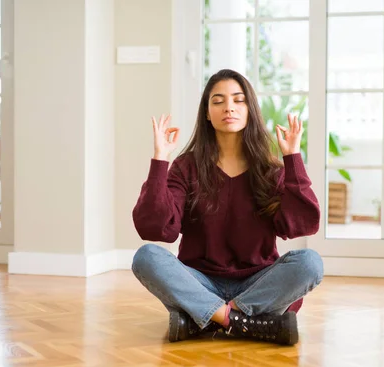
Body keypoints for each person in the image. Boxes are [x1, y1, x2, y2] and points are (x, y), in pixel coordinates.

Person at [131, 69, 323, 346]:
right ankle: (246, 323)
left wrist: (292, 158)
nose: (228, 107)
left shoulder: (269, 170)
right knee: (146, 257)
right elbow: (157, 228)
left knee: (310, 262)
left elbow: (301, 225)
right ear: (207, 113)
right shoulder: (186, 166)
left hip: (257, 282)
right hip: (200, 281)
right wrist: (161, 159)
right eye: (218, 101)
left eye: (238, 100)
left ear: (250, 110)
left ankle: (203, 319)